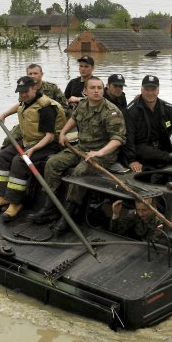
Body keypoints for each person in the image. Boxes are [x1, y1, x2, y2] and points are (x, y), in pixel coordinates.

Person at [37, 76, 126, 232]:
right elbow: (73, 118)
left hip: (103, 153)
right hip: (81, 147)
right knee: (53, 163)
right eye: (93, 88)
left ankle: (68, 215)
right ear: (85, 91)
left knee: (80, 172)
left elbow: (117, 139)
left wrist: (99, 152)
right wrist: (63, 132)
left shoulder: (111, 112)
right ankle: (50, 207)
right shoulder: (83, 105)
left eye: (99, 88)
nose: (97, 91)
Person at [0, 76, 66, 222]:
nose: (23, 95)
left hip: (47, 144)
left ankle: (15, 203)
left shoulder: (46, 108)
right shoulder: (26, 101)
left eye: (25, 91)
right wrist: (3, 115)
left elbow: (49, 136)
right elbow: (19, 106)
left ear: (34, 89)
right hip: (29, 140)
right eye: (20, 92)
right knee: (3, 156)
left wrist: (32, 150)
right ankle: (3, 196)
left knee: (19, 161)